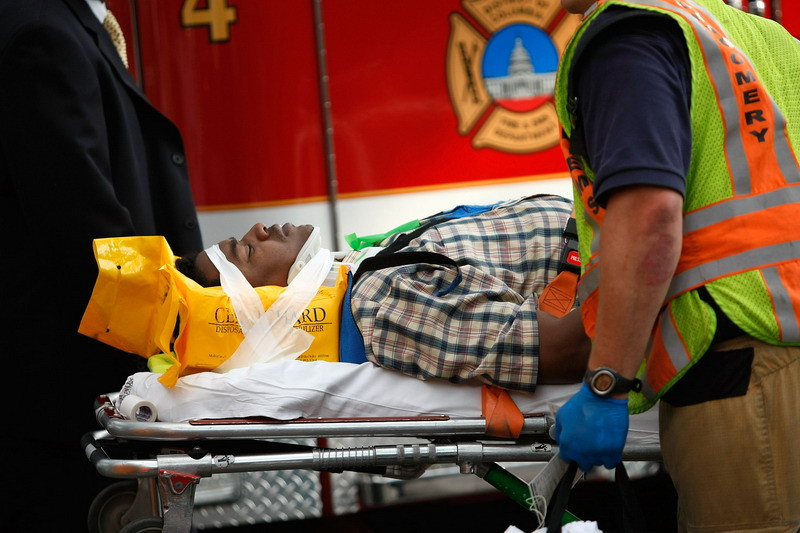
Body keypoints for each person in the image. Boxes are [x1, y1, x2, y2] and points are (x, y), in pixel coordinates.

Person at [551, 0, 800, 531]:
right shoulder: (764, 37)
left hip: (742, 372)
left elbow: (650, 217)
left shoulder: (628, 36)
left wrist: (605, 383)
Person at [0, 0, 203, 528]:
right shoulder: (42, 35)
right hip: (64, 394)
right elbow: (87, 238)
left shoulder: (54, 24)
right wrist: (208, 299)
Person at [179, 194, 591, 391]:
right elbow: (560, 350)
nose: (258, 229)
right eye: (248, 250)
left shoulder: (363, 270)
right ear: (267, 302)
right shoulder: (383, 305)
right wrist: (625, 264)